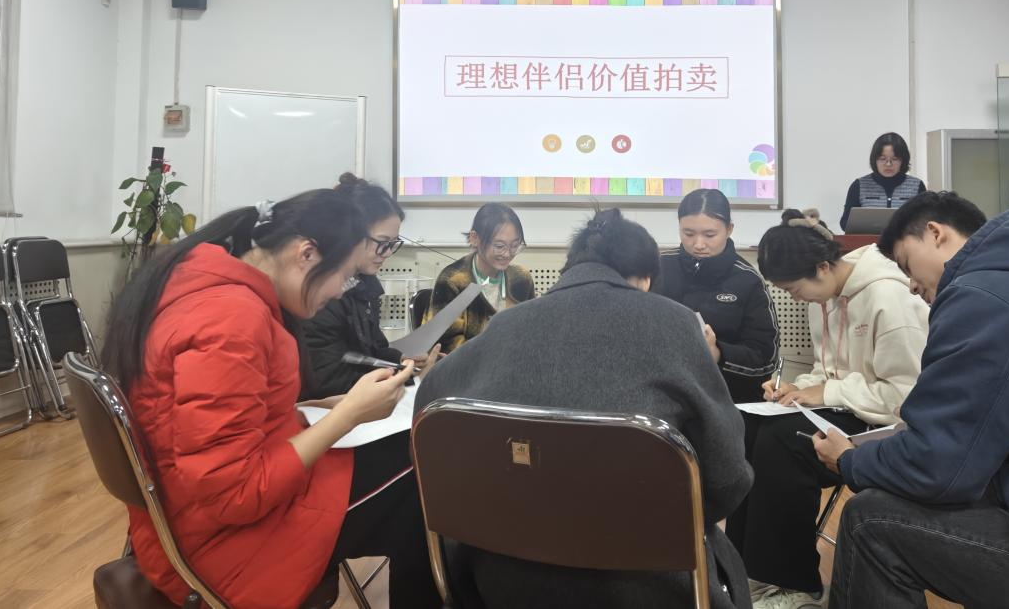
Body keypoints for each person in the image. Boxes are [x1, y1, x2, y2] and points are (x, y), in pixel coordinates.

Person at [100, 190, 440, 609]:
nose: (340, 291)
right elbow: (233, 495)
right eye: (345, 275)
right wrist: (349, 415)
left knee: (409, 458)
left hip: (188, 525)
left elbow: (215, 423)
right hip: (223, 549)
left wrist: (330, 406)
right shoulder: (231, 318)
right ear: (306, 254)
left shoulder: (201, 285)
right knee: (421, 469)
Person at [416, 208, 754, 609]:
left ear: (570, 266)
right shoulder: (677, 324)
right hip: (648, 581)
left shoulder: (504, 325)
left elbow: (430, 412)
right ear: (644, 279)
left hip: (498, 577)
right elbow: (728, 480)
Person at [812, 192, 1009, 608]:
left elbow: (938, 466)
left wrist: (850, 460)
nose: (911, 285)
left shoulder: (984, 294)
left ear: (936, 233)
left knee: (871, 519)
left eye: (907, 264)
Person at [727, 210, 928, 609]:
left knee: (785, 442)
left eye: (795, 289)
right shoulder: (825, 296)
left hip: (888, 423)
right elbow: (827, 370)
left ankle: (795, 584)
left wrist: (826, 391)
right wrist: (796, 389)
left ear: (822, 267)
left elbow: (907, 395)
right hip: (850, 406)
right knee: (748, 426)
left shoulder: (888, 295)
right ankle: (746, 568)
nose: (795, 298)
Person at [302, 174, 437, 398]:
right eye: (382, 243)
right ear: (350, 234)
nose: (387, 253)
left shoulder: (365, 282)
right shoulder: (321, 294)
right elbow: (326, 381)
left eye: (393, 244)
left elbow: (373, 350)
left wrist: (402, 361)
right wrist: (404, 379)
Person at [652, 188, 779, 403]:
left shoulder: (747, 280)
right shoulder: (658, 268)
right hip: (664, 392)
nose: (698, 244)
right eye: (688, 234)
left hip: (726, 396)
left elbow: (765, 360)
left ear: (729, 229)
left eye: (710, 235)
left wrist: (719, 353)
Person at [423, 202, 535, 351]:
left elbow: (531, 329)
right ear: (474, 238)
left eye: (515, 246)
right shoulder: (453, 281)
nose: (508, 254)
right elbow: (445, 344)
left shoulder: (521, 279)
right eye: (499, 246)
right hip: (467, 363)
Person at [839, 132, 926, 232]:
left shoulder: (917, 186)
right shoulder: (859, 186)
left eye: (894, 159)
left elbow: (926, 221)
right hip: (869, 240)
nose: (888, 164)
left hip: (905, 239)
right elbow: (845, 223)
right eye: (882, 159)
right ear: (875, 160)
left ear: (903, 160)